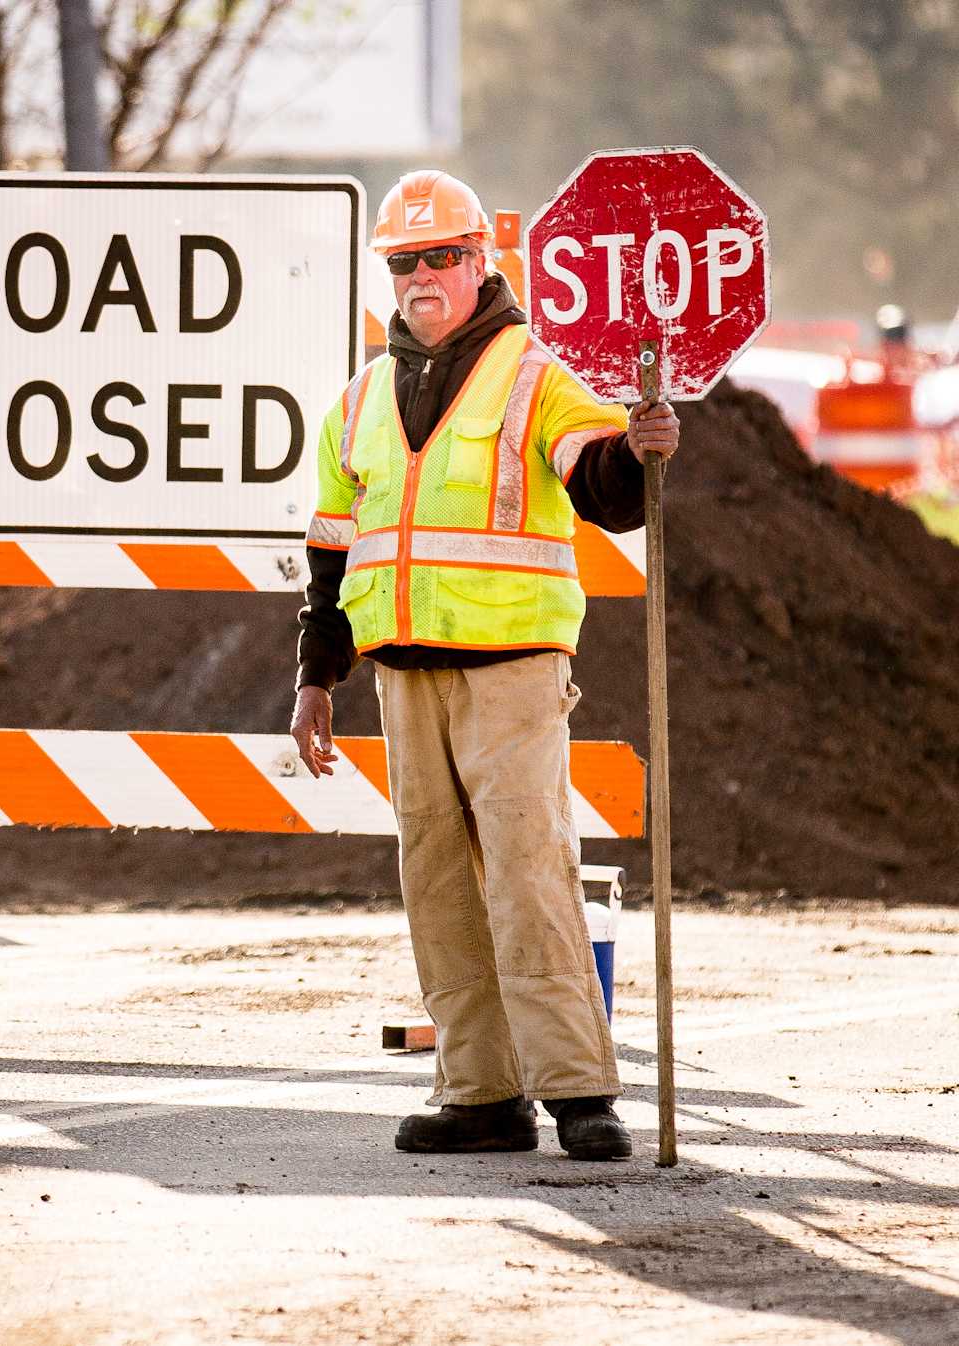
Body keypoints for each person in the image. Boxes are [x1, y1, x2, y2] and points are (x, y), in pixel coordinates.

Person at [289, 170, 680, 1161]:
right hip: (402, 672)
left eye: (439, 256)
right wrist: (314, 677)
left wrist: (638, 451)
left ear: (478, 262)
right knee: (435, 880)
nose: (420, 275)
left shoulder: (534, 373)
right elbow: (330, 552)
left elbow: (599, 484)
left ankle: (577, 1089)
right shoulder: (360, 397)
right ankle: (478, 1092)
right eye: (402, 261)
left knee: (524, 864)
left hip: (510, 667)